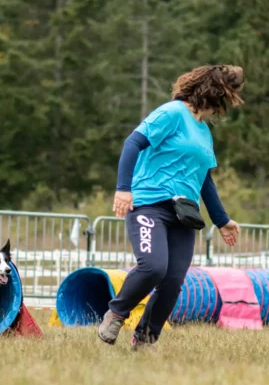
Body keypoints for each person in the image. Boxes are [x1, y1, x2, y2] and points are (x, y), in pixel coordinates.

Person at [97, 64, 244, 350]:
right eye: (224, 98)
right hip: (149, 205)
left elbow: (205, 180)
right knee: (153, 267)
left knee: (173, 280)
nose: (223, 107)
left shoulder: (204, 132)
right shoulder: (172, 113)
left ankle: (146, 338)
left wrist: (222, 220)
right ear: (213, 94)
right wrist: (124, 188)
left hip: (184, 214)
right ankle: (116, 313)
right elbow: (132, 143)